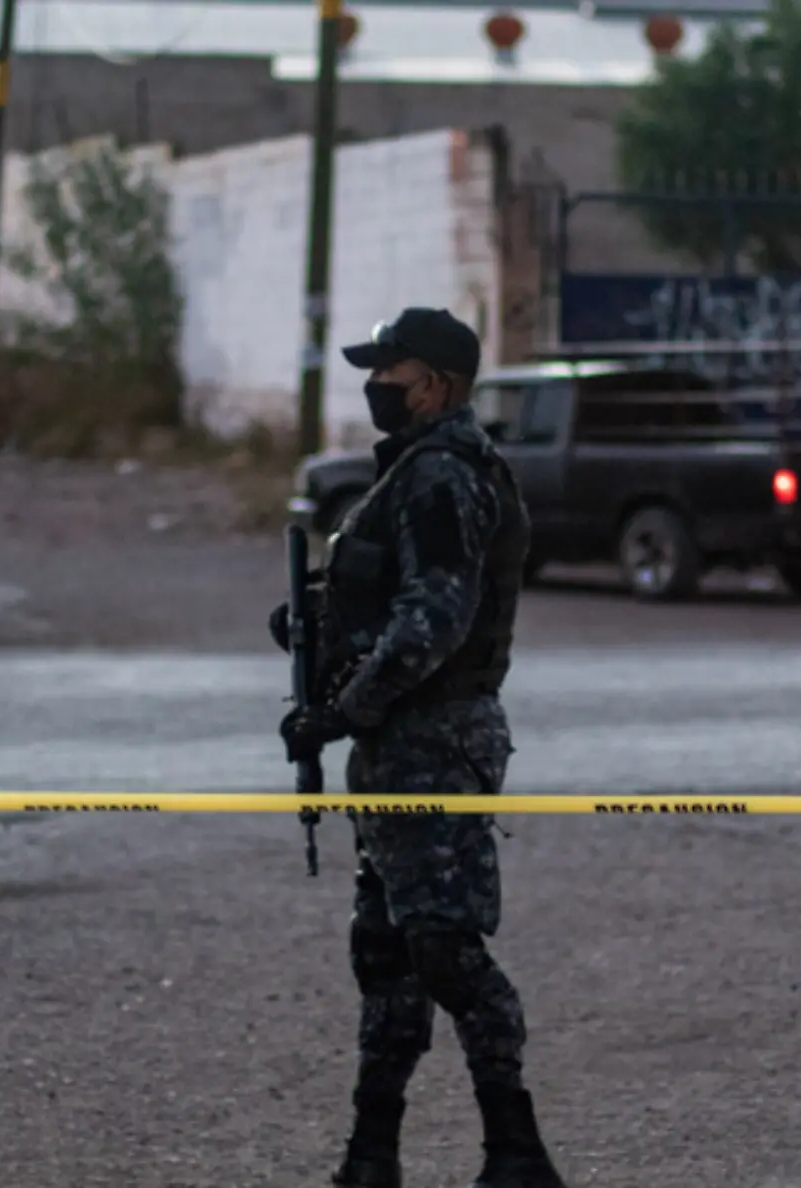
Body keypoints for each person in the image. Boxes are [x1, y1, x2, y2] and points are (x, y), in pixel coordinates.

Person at [270, 308, 566, 1188]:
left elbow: (432, 623)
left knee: (445, 949)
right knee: (387, 956)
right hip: (399, 746)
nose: (377, 386)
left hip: (433, 745)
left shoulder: (442, 477)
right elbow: (391, 604)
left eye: (389, 372)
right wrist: (316, 628)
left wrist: (344, 710)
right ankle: (372, 1157)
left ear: (433, 384)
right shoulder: (413, 476)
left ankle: (517, 1154)